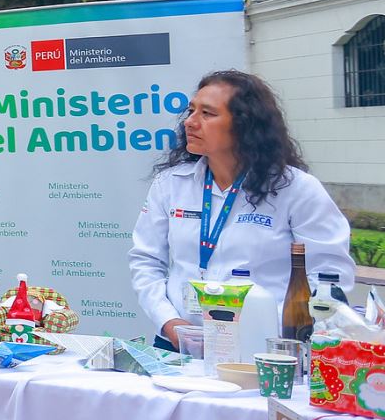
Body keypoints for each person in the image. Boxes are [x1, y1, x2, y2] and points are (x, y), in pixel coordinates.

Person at [130, 69, 353, 348]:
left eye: (207, 114)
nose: (190, 122)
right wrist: (169, 322)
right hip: (180, 344)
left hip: (265, 348)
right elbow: (146, 261)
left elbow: (330, 276)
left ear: (245, 125)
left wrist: (290, 334)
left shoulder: (296, 189)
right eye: (191, 111)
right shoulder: (170, 184)